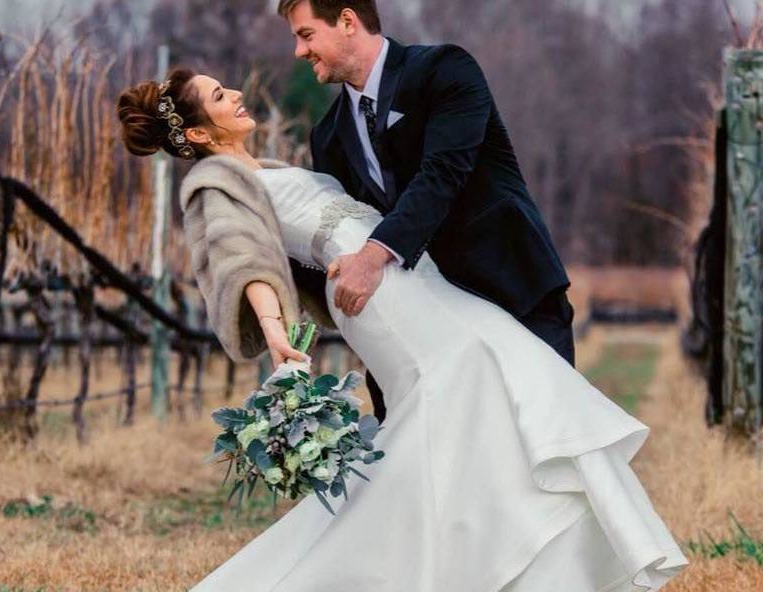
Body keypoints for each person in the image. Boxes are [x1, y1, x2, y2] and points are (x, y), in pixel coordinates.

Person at [117, 72, 686, 592]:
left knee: (497, 386)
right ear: (198, 131)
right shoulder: (215, 181)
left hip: (411, 277)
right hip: (379, 298)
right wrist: (275, 334)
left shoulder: (263, 166)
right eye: (220, 97)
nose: (235, 95)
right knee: (475, 376)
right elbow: (241, 258)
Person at [280, 0, 575, 423]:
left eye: (305, 35)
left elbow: (442, 175)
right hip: (417, 322)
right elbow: (340, 226)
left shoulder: (445, 70)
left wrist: (372, 256)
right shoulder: (327, 136)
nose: (299, 52)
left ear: (347, 21)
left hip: (511, 290)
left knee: (546, 440)